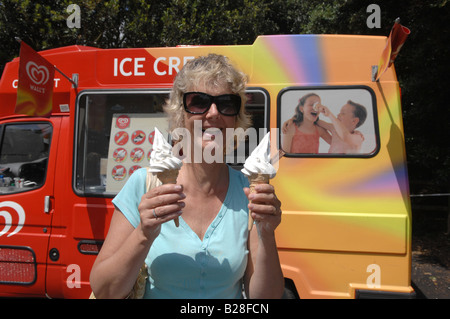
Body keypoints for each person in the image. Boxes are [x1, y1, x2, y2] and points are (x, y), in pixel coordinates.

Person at [89, 54, 284, 299]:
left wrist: (266, 233)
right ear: (180, 115)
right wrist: (144, 233)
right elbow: (105, 291)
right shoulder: (144, 185)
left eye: (226, 103)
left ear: (236, 120)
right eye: (199, 102)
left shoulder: (249, 194)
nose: (213, 113)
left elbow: (266, 299)